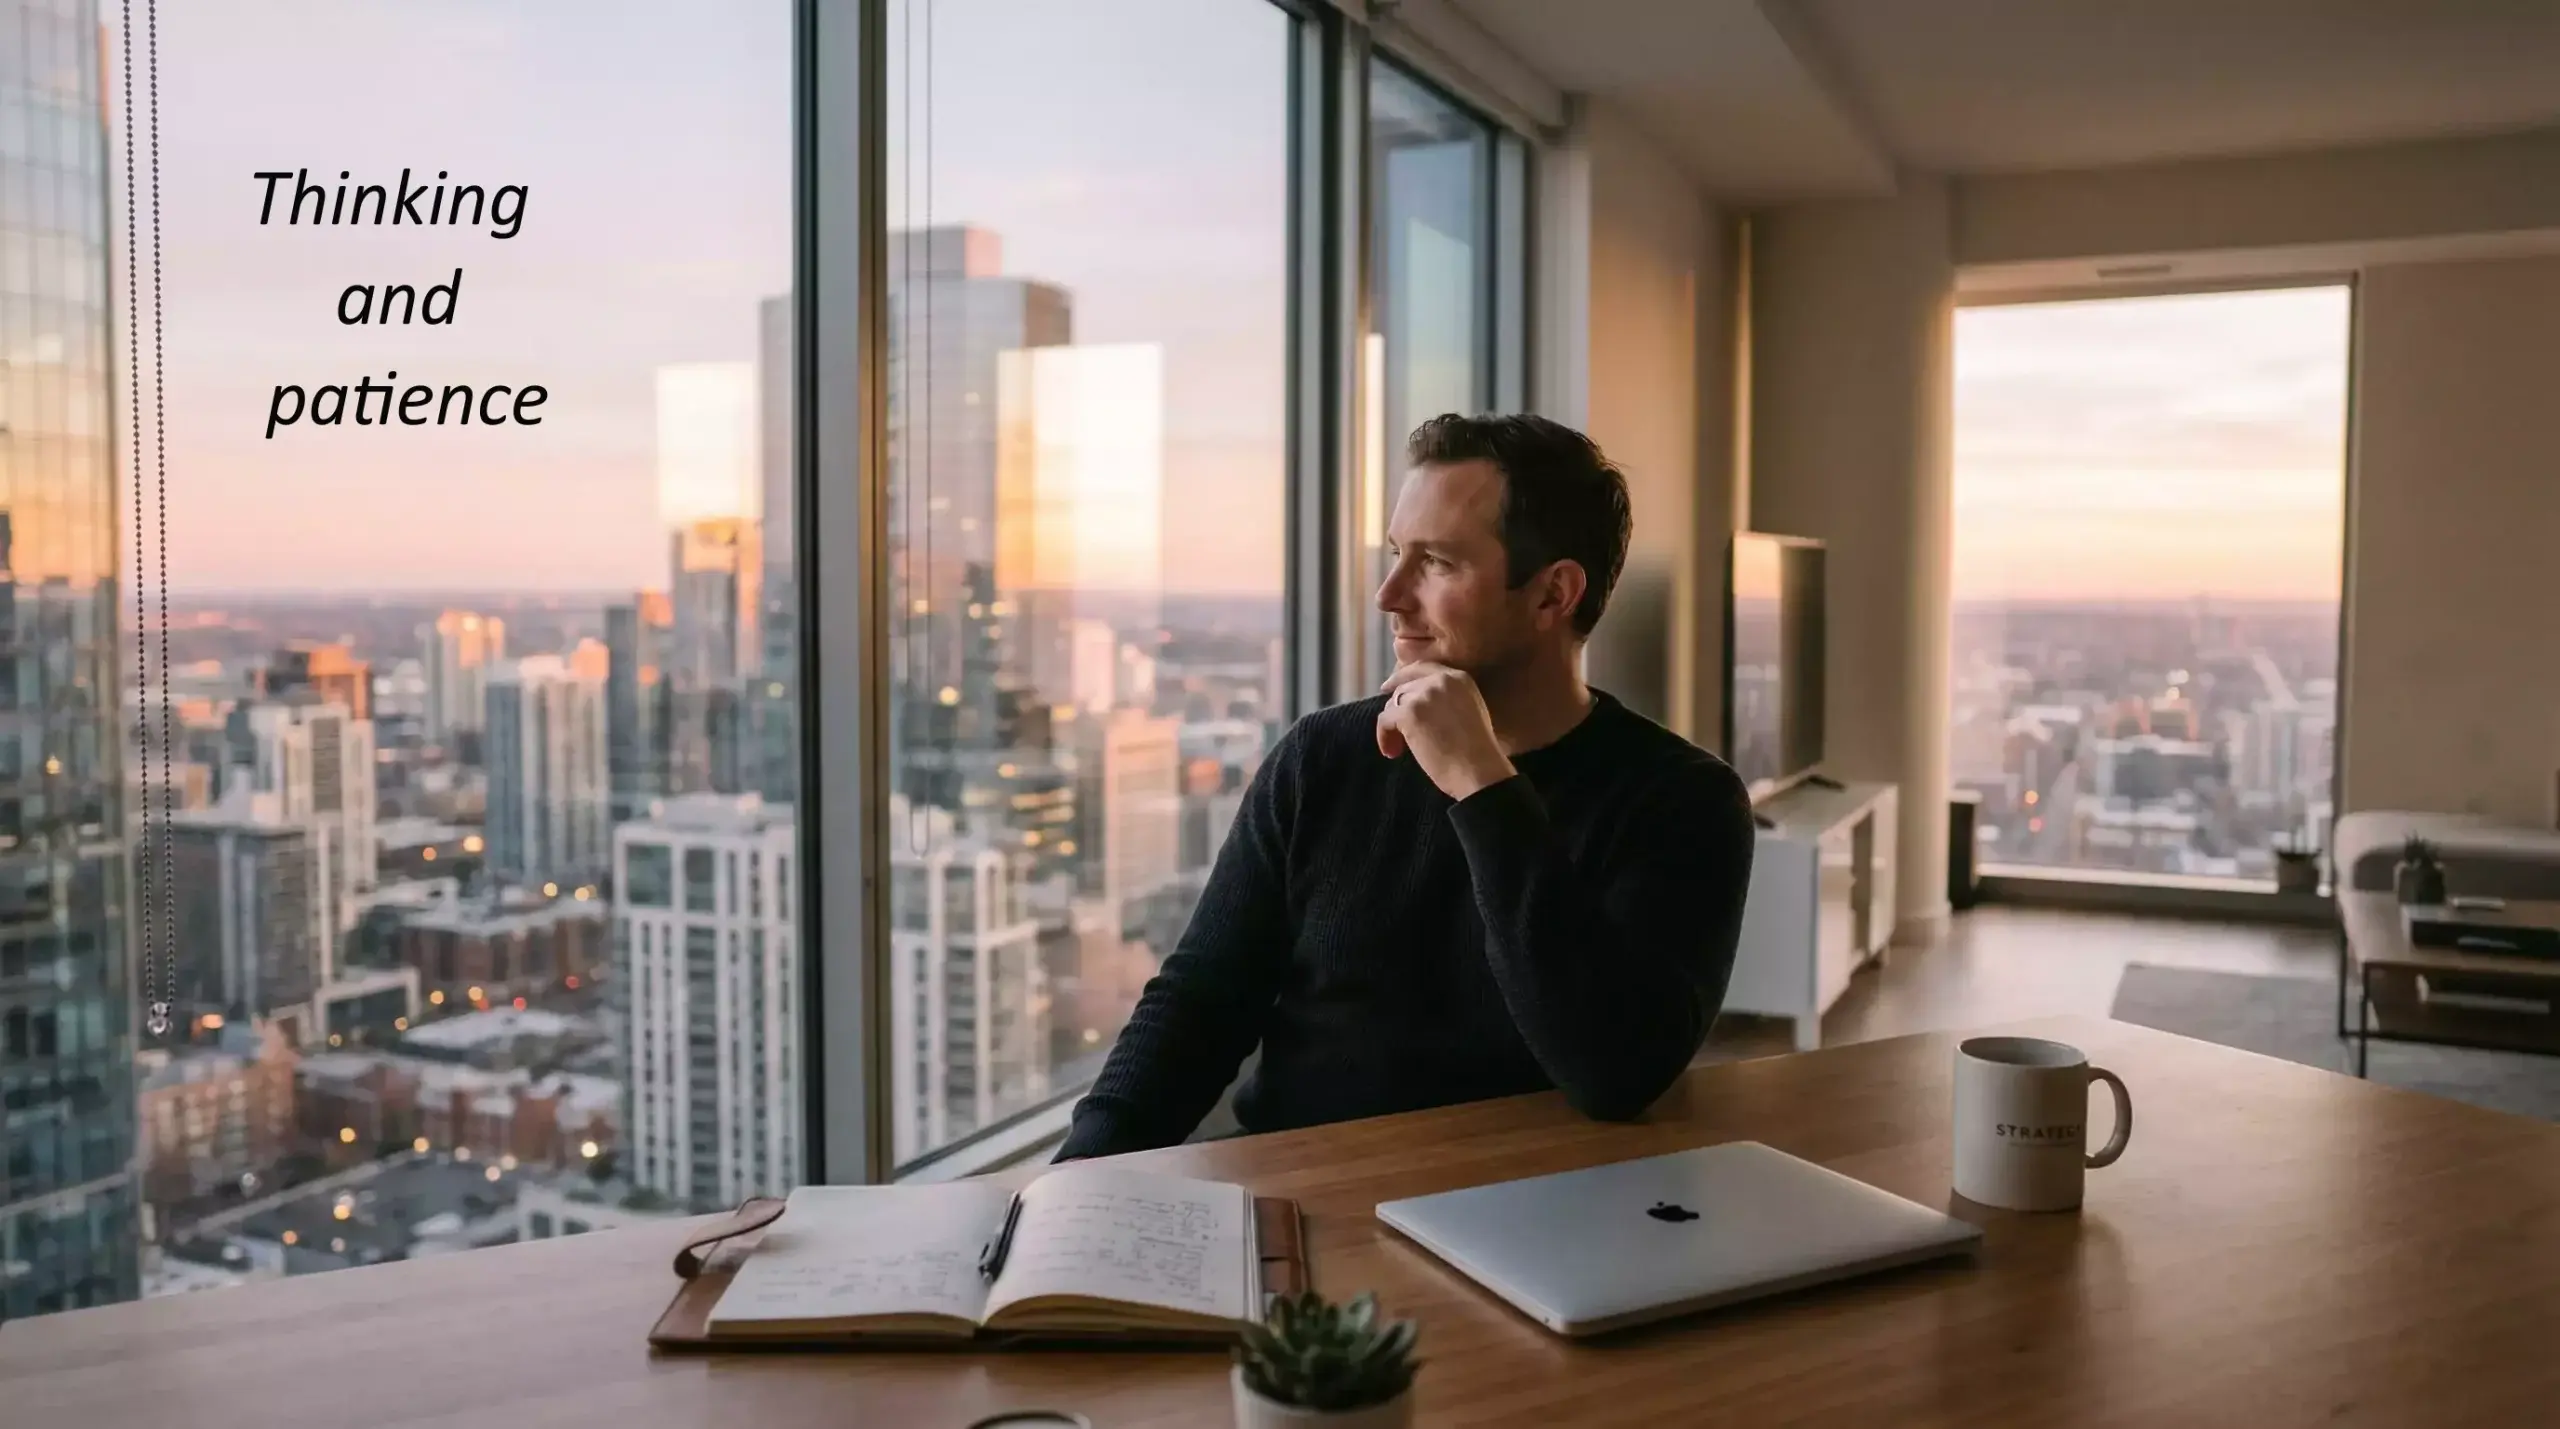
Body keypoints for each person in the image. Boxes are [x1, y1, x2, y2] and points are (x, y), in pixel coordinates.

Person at [1056, 413, 1756, 1161]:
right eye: (1397, 554)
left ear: (1553, 595)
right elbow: (1199, 1001)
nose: (1389, 594)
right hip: (1304, 1182)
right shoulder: (1323, 756)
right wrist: (1074, 1183)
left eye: (1438, 563)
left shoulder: (1685, 802)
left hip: (1531, 1200)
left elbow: (1617, 1073)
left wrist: (1481, 783)